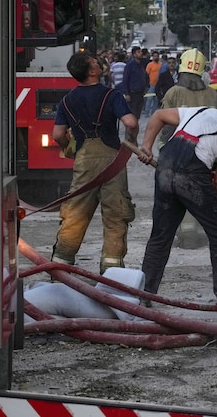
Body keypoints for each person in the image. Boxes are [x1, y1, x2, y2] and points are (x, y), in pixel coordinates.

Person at [136, 96, 217, 303]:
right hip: (190, 178)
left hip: (165, 171)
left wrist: (147, 146)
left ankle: (145, 294)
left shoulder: (199, 110)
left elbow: (158, 115)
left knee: (160, 237)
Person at [50, 52, 139, 273]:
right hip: (113, 164)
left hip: (84, 162)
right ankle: (111, 270)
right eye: (95, 62)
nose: (99, 64)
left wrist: (67, 145)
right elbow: (131, 122)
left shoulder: (67, 100)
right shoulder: (112, 95)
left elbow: (57, 134)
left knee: (76, 214)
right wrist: (131, 140)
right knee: (116, 214)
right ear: (91, 72)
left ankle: (60, 266)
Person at [158, 48, 217, 144]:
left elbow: (167, 125)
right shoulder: (213, 94)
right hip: (209, 146)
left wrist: (164, 146)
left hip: (180, 146)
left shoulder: (173, 93)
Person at [117, 46, 147, 130]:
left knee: (137, 116)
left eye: (141, 51)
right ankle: (129, 137)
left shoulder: (141, 65)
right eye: (138, 52)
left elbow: (143, 77)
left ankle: (134, 137)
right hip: (132, 93)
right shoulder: (130, 65)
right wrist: (126, 93)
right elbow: (125, 79)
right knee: (132, 117)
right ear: (134, 54)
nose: (140, 53)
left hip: (140, 94)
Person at [144, 50, 162, 116]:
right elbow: (146, 75)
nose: (156, 57)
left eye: (157, 56)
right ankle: (147, 113)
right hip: (151, 84)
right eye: (154, 56)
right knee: (149, 99)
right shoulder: (150, 65)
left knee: (156, 100)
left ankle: (153, 113)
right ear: (152, 57)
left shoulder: (161, 65)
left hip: (158, 85)